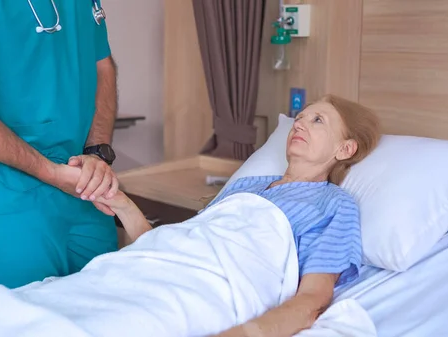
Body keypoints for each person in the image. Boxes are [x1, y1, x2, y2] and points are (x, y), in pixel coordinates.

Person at [97, 94, 381, 336]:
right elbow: (174, 245)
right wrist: (121, 203)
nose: (300, 123)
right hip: (161, 273)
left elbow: (313, 300)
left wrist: (245, 333)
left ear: (345, 149)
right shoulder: (247, 186)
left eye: (317, 120)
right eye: (300, 117)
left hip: (210, 290)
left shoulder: (333, 204)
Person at [0, 0, 121, 296]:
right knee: (26, 321)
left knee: (106, 307)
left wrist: (96, 154)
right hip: (4, 188)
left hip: (82, 184)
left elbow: (102, 64)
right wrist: (49, 171)